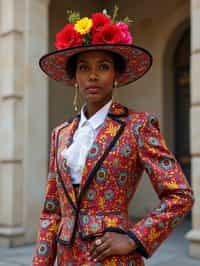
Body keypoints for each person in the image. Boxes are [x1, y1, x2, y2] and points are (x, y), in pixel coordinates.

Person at [32, 8, 194, 266]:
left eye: (103, 67)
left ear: (116, 75)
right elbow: (51, 212)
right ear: (75, 77)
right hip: (66, 259)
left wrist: (134, 238)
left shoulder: (138, 126)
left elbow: (180, 195)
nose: (93, 75)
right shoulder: (60, 134)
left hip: (112, 258)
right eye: (84, 68)